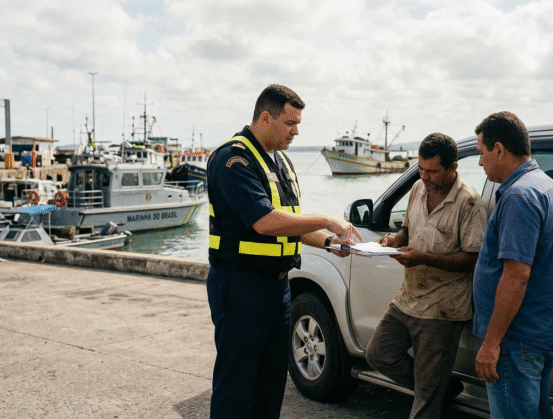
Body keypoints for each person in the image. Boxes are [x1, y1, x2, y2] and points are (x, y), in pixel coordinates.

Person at [206, 84, 361, 419]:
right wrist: (330, 220)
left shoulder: (280, 162)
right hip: (240, 286)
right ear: (266, 117)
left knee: (270, 385)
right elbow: (265, 221)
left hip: (278, 288)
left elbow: (291, 224)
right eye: (290, 123)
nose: (296, 130)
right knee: (237, 387)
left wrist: (330, 243)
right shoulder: (234, 160)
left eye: (298, 123)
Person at [365, 133, 488, 419]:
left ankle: (433, 389)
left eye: (432, 171)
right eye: (421, 168)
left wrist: (422, 258)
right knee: (378, 354)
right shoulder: (418, 188)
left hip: (442, 310)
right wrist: (394, 239)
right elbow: (407, 230)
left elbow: (473, 259)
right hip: (408, 299)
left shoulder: (469, 203)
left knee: (424, 405)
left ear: (453, 167)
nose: (425, 176)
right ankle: (439, 387)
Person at [472, 111, 553, 418]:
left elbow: (517, 276)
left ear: (499, 149)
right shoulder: (548, 186)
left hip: (516, 339)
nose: (479, 162)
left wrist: (491, 343)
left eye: (481, 153)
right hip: (538, 333)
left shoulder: (519, 196)